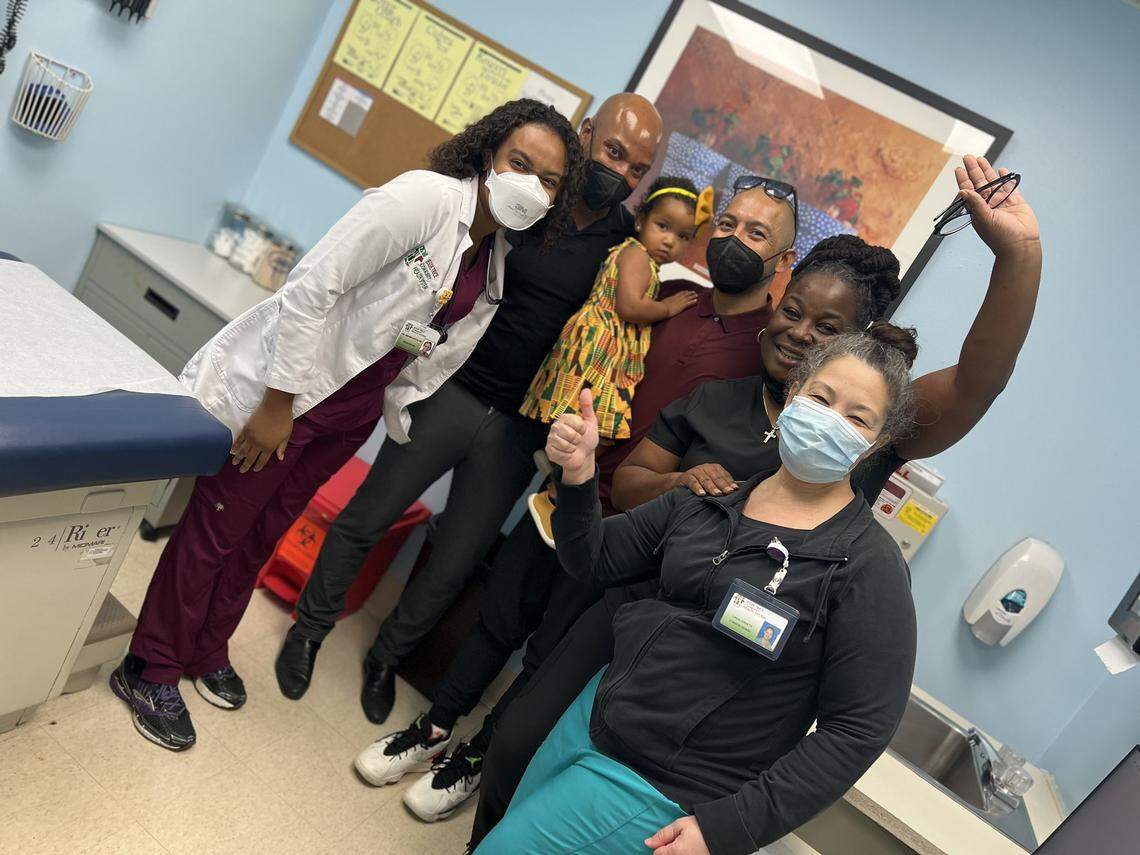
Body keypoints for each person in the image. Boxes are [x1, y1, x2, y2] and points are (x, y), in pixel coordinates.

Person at [469, 154, 1042, 844]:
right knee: (517, 746)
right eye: (794, 312)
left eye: (827, 332)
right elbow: (619, 504)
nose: (801, 335)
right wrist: (640, 480)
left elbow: (982, 378)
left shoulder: (865, 464)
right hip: (642, 613)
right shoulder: (725, 399)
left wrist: (1019, 256)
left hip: (713, 705)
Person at [109, 98, 579, 752]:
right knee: (219, 524)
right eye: (520, 163)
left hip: (350, 409)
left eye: (549, 179)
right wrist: (276, 403)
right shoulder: (425, 199)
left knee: (263, 531)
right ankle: (150, 664)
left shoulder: (489, 255)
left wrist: (397, 406)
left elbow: (432, 340)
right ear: (488, 155)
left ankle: (205, 648)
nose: (531, 184)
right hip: (294, 392)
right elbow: (313, 285)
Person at [351, 176, 796, 823]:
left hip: (639, 540)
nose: (733, 239)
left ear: (782, 261)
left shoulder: (764, 360)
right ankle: (432, 726)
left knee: (552, 655)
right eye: (727, 224)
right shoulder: (667, 298)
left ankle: (476, 756)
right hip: (569, 490)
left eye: (757, 234)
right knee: (498, 615)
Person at [274, 93, 664, 726]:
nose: (619, 173)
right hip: (451, 390)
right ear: (587, 133)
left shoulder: (624, 247)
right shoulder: (531, 201)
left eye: (636, 168)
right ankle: (309, 629)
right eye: (613, 151)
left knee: (453, 560)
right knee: (367, 515)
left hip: (519, 430)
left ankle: (385, 659)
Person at [476, 325, 920, 854]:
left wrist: (729, 826)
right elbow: (591, 558)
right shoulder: (713, 501)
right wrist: (578, 476)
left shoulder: (866, 565)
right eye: (822, 398)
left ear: (879, 441)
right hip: (590, 725)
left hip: (662, 788)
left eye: (857, 417)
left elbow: (857, 730)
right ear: (795, 392)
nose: (829, 421)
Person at [520, 175, 709, 540]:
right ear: (640, 221)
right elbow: (630, 306)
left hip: (609, 349)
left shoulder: (644, 259)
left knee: (594, 426)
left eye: (683, 236)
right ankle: (556, 493)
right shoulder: (635, 253)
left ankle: (555, 479)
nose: (670, 240)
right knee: (600, 427)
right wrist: (667, 308)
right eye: (663, 226)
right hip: (601, 349)